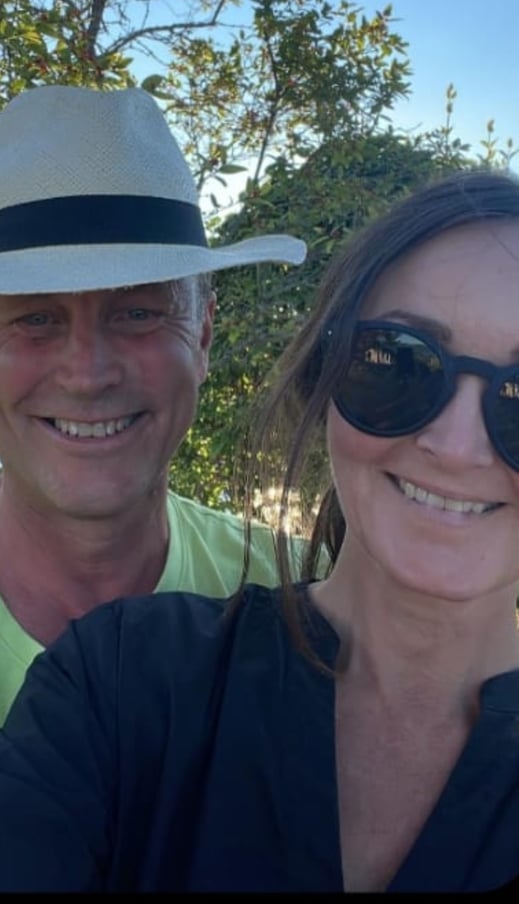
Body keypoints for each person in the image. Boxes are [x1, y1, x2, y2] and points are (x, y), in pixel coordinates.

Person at [2, 166, 519, 893]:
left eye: (139, 313)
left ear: (204, 333)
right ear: (325, 373)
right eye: (399, 362)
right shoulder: (116, 680)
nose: (455, 445)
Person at [0, 83, 307, 724]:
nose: (87, 375)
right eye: (34, 319)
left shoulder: (304, 603)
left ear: (202, 335)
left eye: (138, 312)